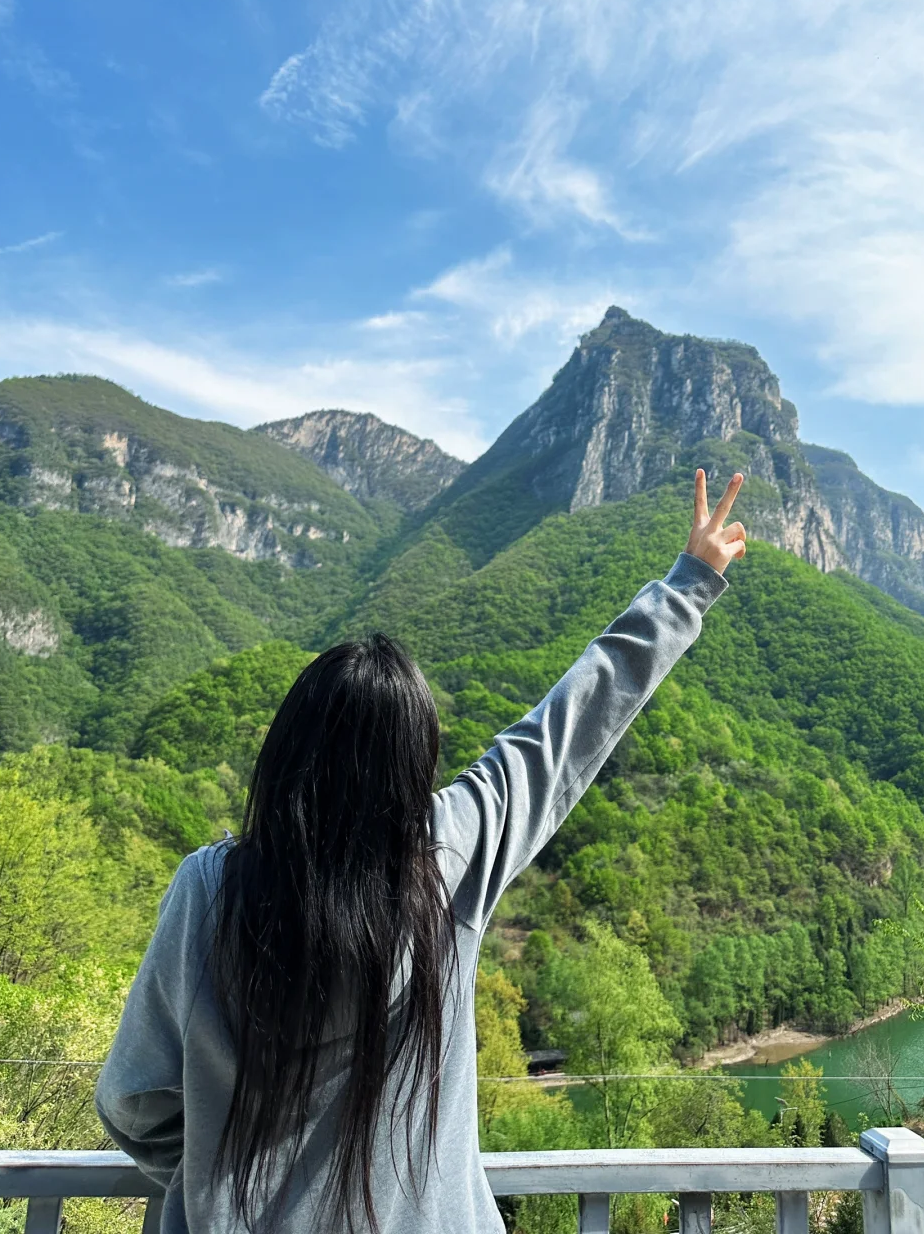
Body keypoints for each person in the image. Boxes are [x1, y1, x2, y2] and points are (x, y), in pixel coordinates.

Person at [95, 468, 746, 1234]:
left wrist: (219, 1178)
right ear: (415, 765)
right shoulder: (449, 855)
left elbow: (135, 1103)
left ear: (287, 753)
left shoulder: (211, 890)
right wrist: (688, 583)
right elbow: (566, 729)